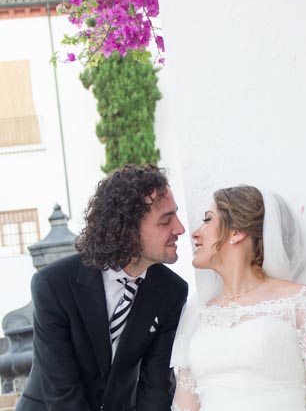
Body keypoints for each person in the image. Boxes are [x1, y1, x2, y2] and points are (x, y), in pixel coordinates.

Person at [18, 165, 189, 411]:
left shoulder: (172, 291)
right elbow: (62, 392)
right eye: (165, 221)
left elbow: (156, 387)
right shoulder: (53, 285)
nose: (180, 229)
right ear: (127, 230)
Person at [170, 186, 306, 411]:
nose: (195, 232)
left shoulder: (298, 302)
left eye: (208, 220)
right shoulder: (197, 312)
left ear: (236, 232)